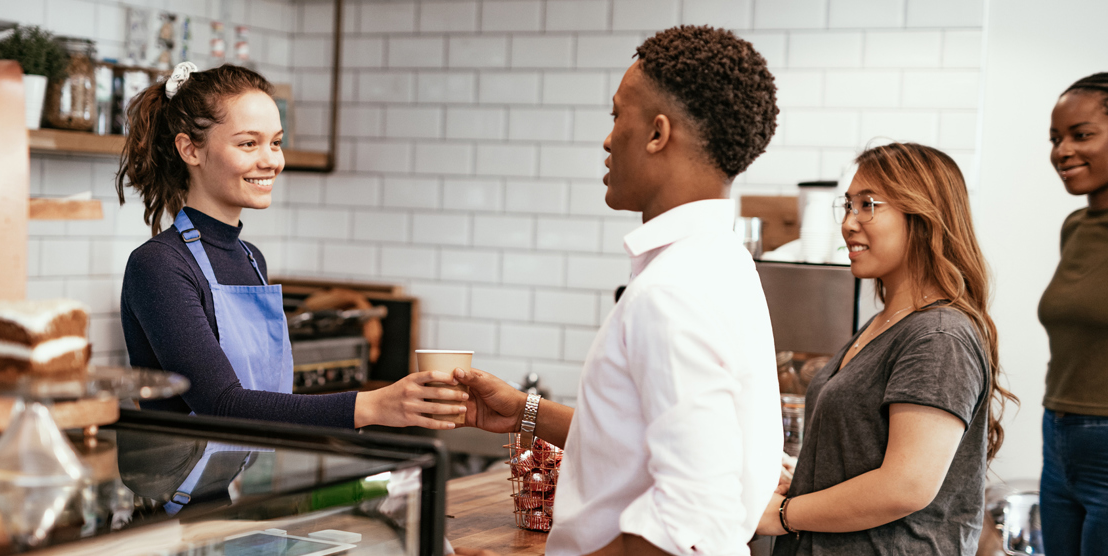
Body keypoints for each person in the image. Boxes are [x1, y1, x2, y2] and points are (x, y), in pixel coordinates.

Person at [453, 25, 783, 556]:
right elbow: (642, 438)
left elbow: (687, 523)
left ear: (657, 134)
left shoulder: (672, 291)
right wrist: (525, 413)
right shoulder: (723, 262)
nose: (608, 139)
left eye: (616, 116)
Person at [115, 62, 465, 430]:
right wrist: (374, 406)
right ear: (190, 150)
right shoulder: (159, 265)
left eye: (276, 142)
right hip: (182, 484)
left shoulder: (252, 260)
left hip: (249, 476)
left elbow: (270, 398)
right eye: (249, 143)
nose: (271, 161)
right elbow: (220, 404)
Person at [748, 143, 1017, 555]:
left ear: (924, 215)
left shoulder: (938, 336)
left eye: (868, 204)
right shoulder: (883, 325)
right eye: (848, 205)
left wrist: (784, 513)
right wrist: (806, 473)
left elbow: (905, 486)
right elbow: (871, 456)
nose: (848, 223)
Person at [1040, 72, 1108, 554]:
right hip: (1058, 431)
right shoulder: (1076, 227)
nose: (1063, 151)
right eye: (1056, 139)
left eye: (1082, 135)